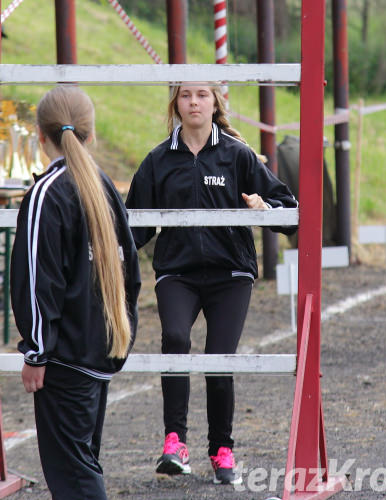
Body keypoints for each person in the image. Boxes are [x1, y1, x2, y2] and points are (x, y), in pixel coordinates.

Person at [125, 83, 297, 485]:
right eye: (186, 95)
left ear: (215, 102)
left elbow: (290, 215)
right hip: (178, 272)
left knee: (219, 360)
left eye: (202, 94)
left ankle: (222, 450)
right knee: (174, 339)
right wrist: (106, 254)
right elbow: (134, 226)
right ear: (175, 104)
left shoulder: (238, 156)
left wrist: (264, 208)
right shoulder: (158, 160)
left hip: (230, 275)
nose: (194, 102)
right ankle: (174, 443)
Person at [10, 86, 141, 500]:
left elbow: (37, 282)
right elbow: (132, 274)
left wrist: (36, 352)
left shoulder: (46, 194)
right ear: (92, 133)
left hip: (65, 359)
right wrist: (122, 336)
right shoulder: (103, 186)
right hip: (100, 351)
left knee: (75, 479)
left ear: (39, 134)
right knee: (83, 466)